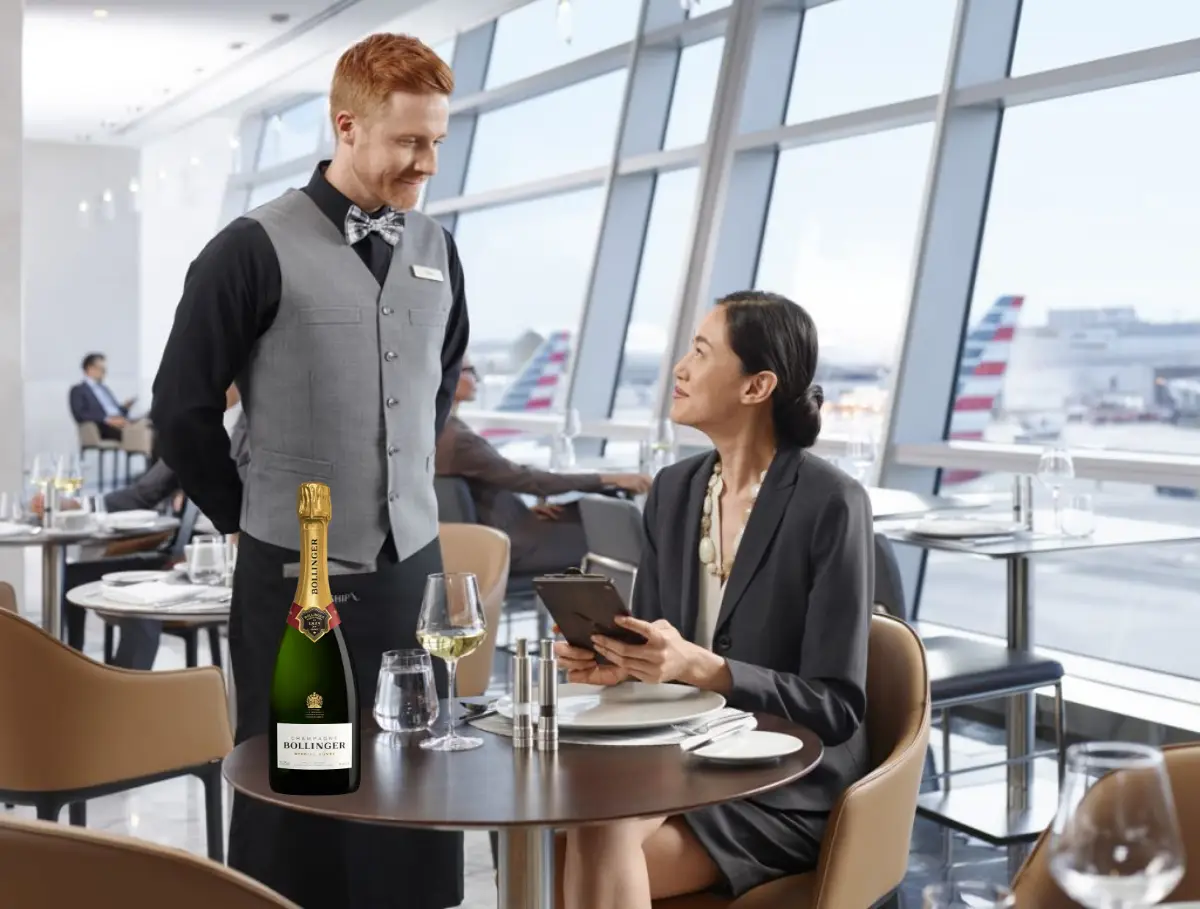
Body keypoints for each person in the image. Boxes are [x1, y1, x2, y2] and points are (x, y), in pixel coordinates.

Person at [149, 33, 468, 909]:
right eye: (410, 141)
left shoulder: (439, 246)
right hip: (296, 581)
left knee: (416, 782)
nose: (426, 162)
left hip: (414, 574)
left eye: (438, 141)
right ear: (347, 126)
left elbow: (433, 389)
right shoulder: (249, 248)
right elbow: (180, 411)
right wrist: (248, 517)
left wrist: (399, 484)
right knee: (301, 791)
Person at [554, 290, 874, 907]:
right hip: (682, 755)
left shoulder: (831, 503)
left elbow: (837, 706)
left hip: (785, 780)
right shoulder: (675, 490)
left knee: (594, 834)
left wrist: (712, 670)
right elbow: (652, 641)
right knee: (576, 827)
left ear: (756, 387)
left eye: (701, 352)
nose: (679, 367)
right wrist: (619, 662)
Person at [436, 354, 651, 574]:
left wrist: (520, 512)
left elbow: (490, 485)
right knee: (616, 534)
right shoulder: (459, 439)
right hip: (514, 543)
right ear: (446, 376)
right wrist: (609, 478)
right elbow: (528, 481)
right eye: (469, 371)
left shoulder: (438, 431)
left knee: (588, 514)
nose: (477, 379)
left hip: (501, 530)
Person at [69, 352, 138, 440]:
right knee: (142, 434)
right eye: (102, 369)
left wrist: (125, 408)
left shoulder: (104, 389)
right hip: (103, 427)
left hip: (121, 421)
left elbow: (113, 410)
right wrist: (108, 420)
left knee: (152, 426)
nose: (104, 372)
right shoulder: (78, 390)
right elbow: (80, 414)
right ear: (90, 368)